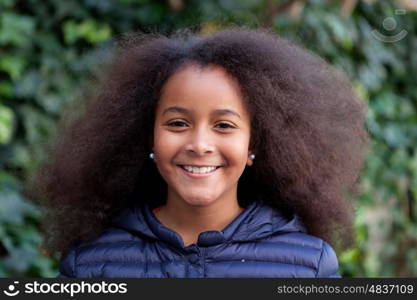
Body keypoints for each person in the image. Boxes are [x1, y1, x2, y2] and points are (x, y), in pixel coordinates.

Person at [27, 27, 369, 278]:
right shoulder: (91, 263)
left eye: (224, 125)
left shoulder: (307, 263)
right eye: (177, 124)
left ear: (255, 144)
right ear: (148, 138)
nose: (199, 144)